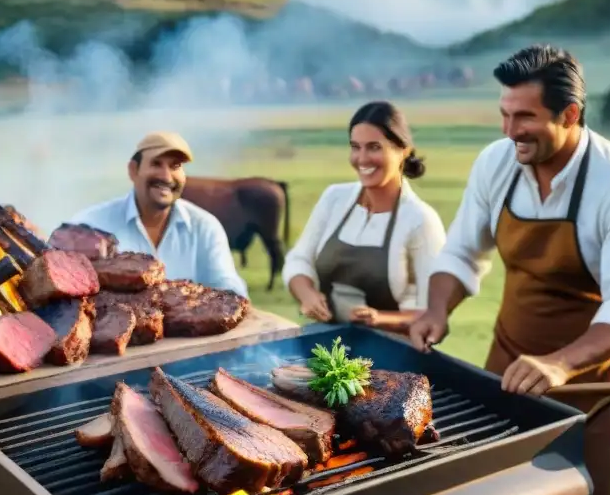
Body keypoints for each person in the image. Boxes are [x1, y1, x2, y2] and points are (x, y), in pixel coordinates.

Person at [410, 45, 610, 495]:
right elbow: (463, 251)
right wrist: (436, 309)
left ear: (570, 114)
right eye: (504, 115)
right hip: (509, 372)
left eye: (524, 117)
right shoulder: (496, 163)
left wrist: (558, 365)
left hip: (592, 388)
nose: (509, 131)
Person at [281, 101, 446, 334]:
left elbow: (433, 313)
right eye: (355, 147)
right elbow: (298, 260)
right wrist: (307, 295)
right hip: (326, 347)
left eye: (374, 147)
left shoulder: (420, 220)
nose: (362, 158)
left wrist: (379, 319)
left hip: (391, 355)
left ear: (403, 151)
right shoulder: (334, 199)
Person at [67, 131, 248, 297]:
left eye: (175, 166)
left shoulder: (204, 227)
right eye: (156, 164)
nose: (167, 177)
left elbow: (227, 285)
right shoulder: (90, 226)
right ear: (133, 170)